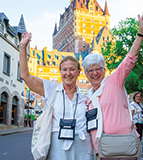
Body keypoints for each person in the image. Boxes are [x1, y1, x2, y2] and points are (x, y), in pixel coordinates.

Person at [82, 13, 143, 159]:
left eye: (98, 68)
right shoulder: (88, 97)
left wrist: (141, 33)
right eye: (90, 70)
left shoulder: (114, 81)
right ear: (86, 74)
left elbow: (129, 59)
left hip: (125, 145)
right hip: (102, 150)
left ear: (104, 70)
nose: (94, 73)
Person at [19, 32, 93, 160]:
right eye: (64, 70)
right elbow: (25, 76)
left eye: (72, 69)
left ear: (79, 72)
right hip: (57, 147)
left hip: (83, 147)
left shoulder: (85, 97)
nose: (68, 73)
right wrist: (22, 47)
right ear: (60, 72)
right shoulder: (51, 88)